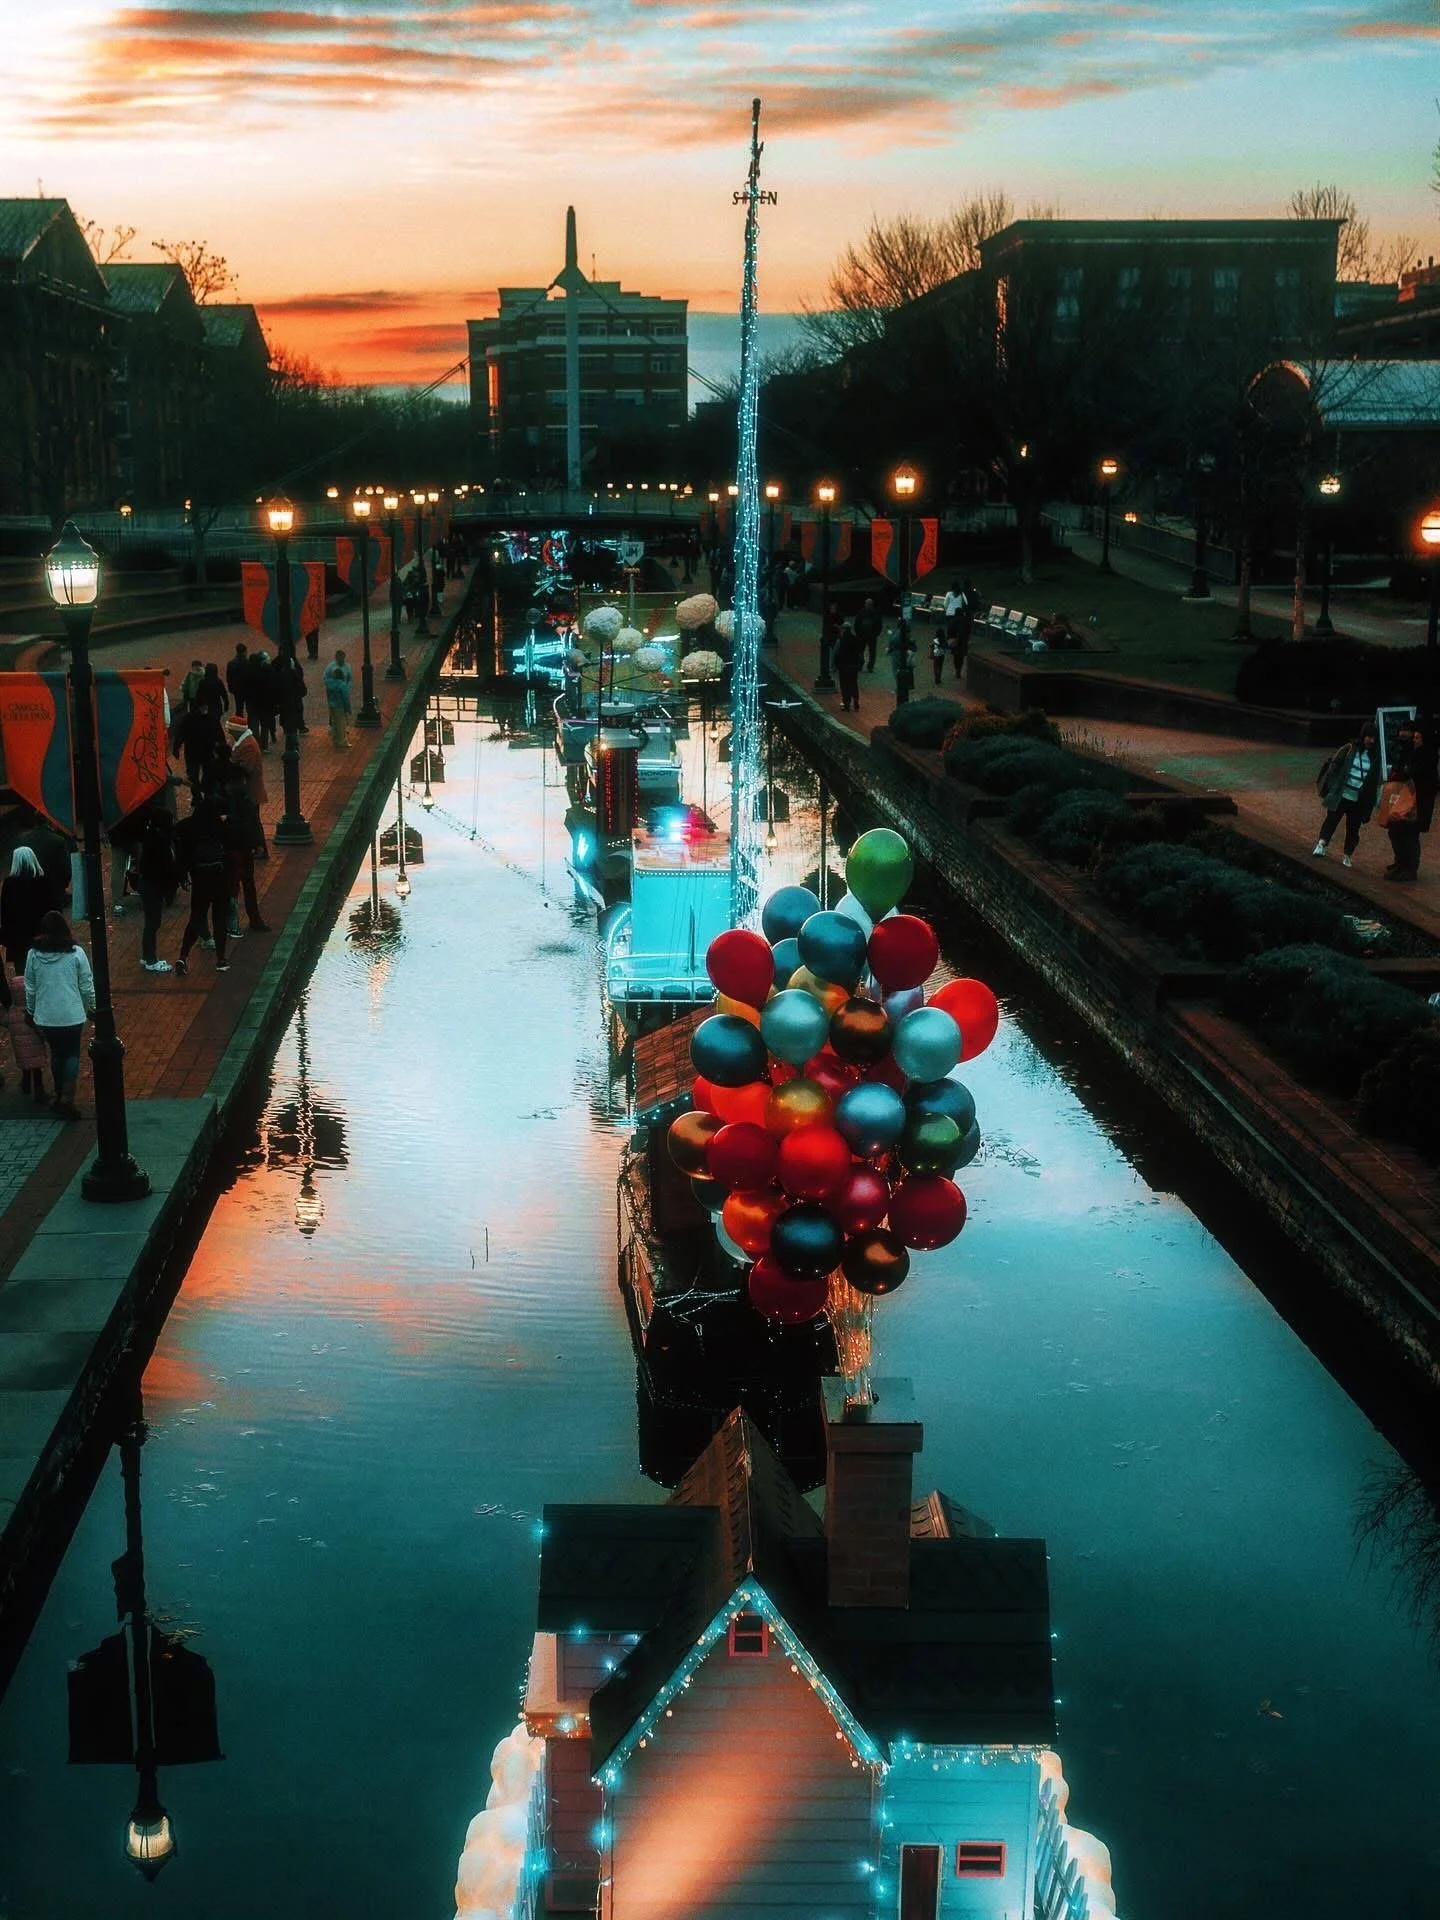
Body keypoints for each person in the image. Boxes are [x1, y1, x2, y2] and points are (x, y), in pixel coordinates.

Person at [23, 909, 95, 1118]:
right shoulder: (75, 953)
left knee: (56, 1053)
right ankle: (67, 1099)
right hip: (72, 1014)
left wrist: (31, 1010)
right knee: (72, 1054)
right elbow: (86, 984)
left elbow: (31, 987)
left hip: (47, 1016)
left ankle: (58, 1092)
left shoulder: (33, 955)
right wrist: (93, 1005)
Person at [174, 794, 230, 975]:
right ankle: (221, 959)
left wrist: (183, 872)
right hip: (218, 875)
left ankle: (183, 956)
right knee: (219, 918)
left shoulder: (186, 826)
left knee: (197, 916)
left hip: (199, 876)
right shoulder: (218, 826)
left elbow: (176, 835)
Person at [1314, 720, 1381, 868]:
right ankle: (1322, 844)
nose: (1371, 741)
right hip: (1342, 795)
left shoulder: (1375, 758)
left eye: (1373, 738)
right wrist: (1334, 787)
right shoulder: (1350, 749)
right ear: (1363, 736)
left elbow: (1374, 781)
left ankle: (1347, 854)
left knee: (1353, 829)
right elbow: (1334, 766)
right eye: (1368, 737)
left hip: (1358, 800)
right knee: (1331, 820)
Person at [126, 803, 181, 972]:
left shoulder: (155, 838)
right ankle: (150, 959)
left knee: (151, 922)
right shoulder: (158, 842)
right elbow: (163, 866)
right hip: (153, 886)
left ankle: (147, 956)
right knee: (153, 922)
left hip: (150, 885)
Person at [1384, 718, 1437, 882]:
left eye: (1417, 738)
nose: (1414, 740)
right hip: (1407, 801)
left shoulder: (1427, 756)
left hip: (1418, 804)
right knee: (1396, 829)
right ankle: (1401, 862)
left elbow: (1414, 773)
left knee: (1410, 834)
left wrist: (1408, 771)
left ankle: (1409, 868)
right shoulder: (1415, 752)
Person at [221, 767, 270, 935]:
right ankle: (252, 920)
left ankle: (233, 923)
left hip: (234, 848)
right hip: (241, 847)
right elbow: (252, 821)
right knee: (246, 885)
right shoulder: (241, 798)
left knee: (234, 886)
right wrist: (257, 843)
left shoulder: (228, 797)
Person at [3, 960, 49, 1100]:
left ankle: (26, 1083)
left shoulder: (12, 1014)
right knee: (36, 1065)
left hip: (21, 1047)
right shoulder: (35, 1012)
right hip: (36, 1045)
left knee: (25, 1061)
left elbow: (4, 1020)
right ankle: (39, 1089)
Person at [225, 716, 269, 856]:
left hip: (250, 790)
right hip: (247, 790)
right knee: (251, 819)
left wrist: (231, 765)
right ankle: (256, 847)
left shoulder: (248, 745)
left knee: (253, 820)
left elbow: (246, 768)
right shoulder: (241, 742)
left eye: (231, 730)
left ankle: (260, 848)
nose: (229, 732)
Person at [1, 846, 50, 972]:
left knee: (22, 970)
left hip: (18, 938)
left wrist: (6, 936)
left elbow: (5, 913)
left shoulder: (10, 884)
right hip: (41, 934)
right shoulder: (43, 881)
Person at [245, 648, 277, 748]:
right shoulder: (264, 673)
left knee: (253, 724)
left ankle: (255, 743)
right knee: (265, 725)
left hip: (251, 703)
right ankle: (264, 744)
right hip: (264, 703)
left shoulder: (247, 673)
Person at [322, 648, 353, 748]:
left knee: (336, 719)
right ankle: (341, 740)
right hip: (340, 703)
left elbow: (350, 679)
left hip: (333, 700)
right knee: (340, 721)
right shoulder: (330, 667)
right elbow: (325, 678)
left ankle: (336, 737)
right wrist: (348, 708)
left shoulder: (347, 667)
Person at [833, 621, 864, 713]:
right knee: (853, 683)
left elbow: (836, 653)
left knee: (844, 685)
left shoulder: (841, 640)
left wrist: (835, 665)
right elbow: (859, 653)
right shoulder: (855, 639)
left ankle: (846, 703)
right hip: (853, 666)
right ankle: (856, 700)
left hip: (843, 666)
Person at [854, 596, 881, 673]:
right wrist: (858, 634)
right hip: (863, 635)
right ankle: (862, 665)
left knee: (870, 652)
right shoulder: (862, 612)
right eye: (867, 604)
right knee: (861, 651)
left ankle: (869, 666)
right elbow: (857, 624)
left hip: (870, 636)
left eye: (869, 604)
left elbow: (879, 625)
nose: (868, 605)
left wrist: (875, 633)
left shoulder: (875, 613)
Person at [226, 641, 249, 720]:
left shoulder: (231, 663)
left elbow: (229, 678)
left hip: (237, 690)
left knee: (239, 709)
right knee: (250, 710)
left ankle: (239, 726)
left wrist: (231, 689)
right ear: (245, 651)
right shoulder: (248, 662)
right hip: (247, 689)